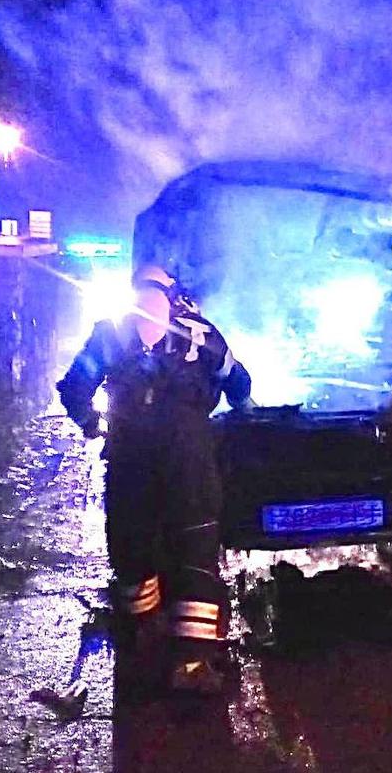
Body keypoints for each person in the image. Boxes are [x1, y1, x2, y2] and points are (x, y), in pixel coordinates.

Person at [56, 263, 252, 695]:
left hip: (129, 456)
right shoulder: (200, 334)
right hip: (190, 458)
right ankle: (192, 665)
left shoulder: (110, 332)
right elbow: (238, 383)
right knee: (196, 550)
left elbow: (73, 387)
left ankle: (143, 636)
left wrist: (92, 423)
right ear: (173, 292)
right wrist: (245, 410)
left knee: (132, 544)